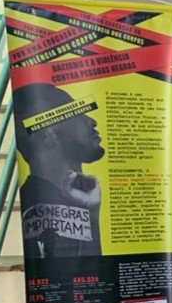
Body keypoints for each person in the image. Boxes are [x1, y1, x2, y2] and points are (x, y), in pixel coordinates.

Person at [13, 81, 105, 259]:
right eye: (76, 114)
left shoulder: (66, 201)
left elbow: (89, 271)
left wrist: (91, 213)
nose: (92, 121)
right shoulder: (38, 211)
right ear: (47, 136)